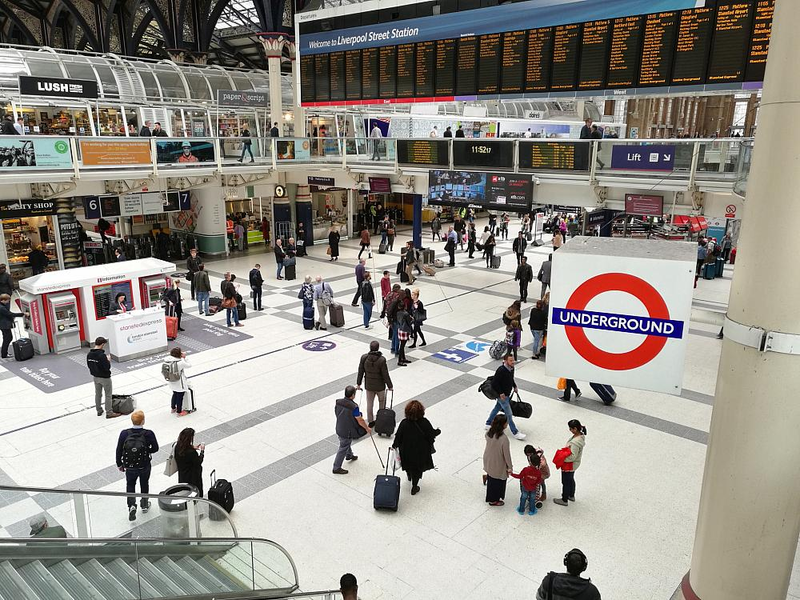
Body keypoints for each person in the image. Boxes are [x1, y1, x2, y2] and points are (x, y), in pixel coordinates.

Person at [115, 410, 159, 521]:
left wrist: (119, 463)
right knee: (144, 483)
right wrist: (147, 450)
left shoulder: (124, 433)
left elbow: (119, 449)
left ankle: (131, 505)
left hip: (129, 466)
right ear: (143, 421)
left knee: (130, 484)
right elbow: (155, 448)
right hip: (144, 465)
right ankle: (144, 504)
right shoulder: (148, 433)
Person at [392, 400, 440, 495]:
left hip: (406, 450)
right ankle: (414, 486)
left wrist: (394, 445)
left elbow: (398, 437)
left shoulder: (404, 423)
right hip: (420, 451)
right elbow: (431, 434)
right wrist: (438, 431)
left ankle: (409, 475)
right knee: (417, 469)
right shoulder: (425, 422)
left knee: (408, 464)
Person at [485, 354, 526, 440]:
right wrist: (501, 393)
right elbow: (495, 383)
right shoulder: (501, 370)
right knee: (509, 414)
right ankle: (515, 432)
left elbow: (511, 378)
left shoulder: (511, 368)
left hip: (507, 394)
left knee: (497, 408)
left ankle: (488, 423)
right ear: (506, 361)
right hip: (502, 396)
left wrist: (514, 386)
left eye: (513, 360)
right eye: (510, 360)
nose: (513, 362)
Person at [536, 549, 601, 600]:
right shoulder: (592, 592)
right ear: (584, 567)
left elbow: (539, 597)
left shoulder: (550, 581)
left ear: (565, 562)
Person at [333, 385, 370, 475]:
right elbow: (360, 420)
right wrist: (367, 428)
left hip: (339, 427)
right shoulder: (354, 407)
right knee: (343, 446)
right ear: (353, 395)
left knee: (345, 442)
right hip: (347, 431)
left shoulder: (338, 402)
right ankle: (336, 467)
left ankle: (349, 455)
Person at [356, 340, 394, 424]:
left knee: (369, 404)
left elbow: (360, 371)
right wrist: (390, 386)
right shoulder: (382, 360)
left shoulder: (364, 358)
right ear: (378, 348)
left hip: (369, 386)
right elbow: (385, 374)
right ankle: (380, 419)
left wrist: (358, 383)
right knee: (382, 403)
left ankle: (370, 421)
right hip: (380, 386)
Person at [554, 419, 587, 507]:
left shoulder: (575, 442)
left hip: (569, 464)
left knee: (566, 482)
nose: (570, 430)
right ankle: (571, 495)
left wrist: (562, 458)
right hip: (574, 465)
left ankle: (564, 499)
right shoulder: (580, 436)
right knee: (571, 479)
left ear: (575, 429)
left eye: (571, 428)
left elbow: (573, 456)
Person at [483, 414, 513, 506]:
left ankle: (487, 477)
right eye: (506, 422)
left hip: (488, 458)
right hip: (498, 462)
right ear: (503, 424)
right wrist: (510, 467)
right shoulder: (504, 439)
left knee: (491, 476)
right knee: (497, 482)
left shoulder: (489, 432)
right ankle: (493, 500)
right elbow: (506, 455)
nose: (507, 424)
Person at [510, 449, 543, 515]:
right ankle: (532, 511)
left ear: (530, 462)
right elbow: (539, 481)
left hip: (525, 487)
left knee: (523, 498)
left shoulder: (526, 469)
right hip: (533, 488)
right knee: (532, 499)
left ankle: (521, 510)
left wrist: (511, 474)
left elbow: (519, 476)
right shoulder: (539, 472)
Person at [175, 427, 205, 496]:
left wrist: (192, 447)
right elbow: (199, 461)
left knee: (185, 491)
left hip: (183, 475)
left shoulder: (178, 447)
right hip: (193, 477)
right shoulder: (191, 452)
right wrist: (202, 451)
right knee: (196, 492)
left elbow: (185, 450)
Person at [164, 347, 192, 416]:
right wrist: (184, 358)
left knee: (175, 394)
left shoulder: (167, 361)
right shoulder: (180, 362)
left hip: (171, 381)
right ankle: (179, 412)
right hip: (179, 383)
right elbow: (189, 365)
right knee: (180, 396)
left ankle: (173, 408)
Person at [0, 293, 24, 362]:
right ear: (3, 300)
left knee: (7, 338)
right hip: (4, 325)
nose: (8, 302)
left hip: (3, 325)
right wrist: (22, 314)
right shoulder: (2, 308)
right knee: (7, 338)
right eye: (7, 300)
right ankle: (4, 354)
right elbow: (10, 314)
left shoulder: (2, 306)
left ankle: (4, 353)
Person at [395, 291, 414, 366]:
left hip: (400, 329)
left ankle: (403, 358)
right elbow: (409, 322)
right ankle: (400, 360)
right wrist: (412, 319)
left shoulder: (398, 313)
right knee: (402, 346)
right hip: (405, 330)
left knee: (402, 345)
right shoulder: (406, 314)